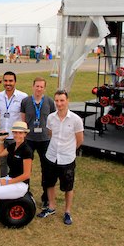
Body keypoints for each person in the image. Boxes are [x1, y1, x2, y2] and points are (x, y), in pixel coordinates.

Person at [37, 90, 84, 225]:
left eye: (62, 100)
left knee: (68, 187)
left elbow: (79, 140)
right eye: (57, 101)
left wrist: (68, 150)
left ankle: (67, 212)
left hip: (67, 159)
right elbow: (50, 134)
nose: (59, 104)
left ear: (67, 101)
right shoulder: (51, 118)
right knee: (49, 183)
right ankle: (51, 207)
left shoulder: (76, 120)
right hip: (51, 156)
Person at [20, 77, 56, 209]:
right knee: (26, 168)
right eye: (37, 86)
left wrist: (51, 136)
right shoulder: (25, 102)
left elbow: (53, 120)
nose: (39, 89)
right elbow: (23, 121)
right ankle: (25, 192)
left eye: (41, 87)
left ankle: (46, 197)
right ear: (33, 86)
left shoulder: (49, 102)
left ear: (44, 88)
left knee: (46, 169)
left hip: (45, 140)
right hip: (29, 140)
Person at [0, 71, 27, 177]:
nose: (8, 83)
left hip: (16, 137)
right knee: (3, 164)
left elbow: (24, 117)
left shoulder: (23, 97)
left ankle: (16, 186)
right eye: (5, 80)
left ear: (15, 82)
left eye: (10, 81)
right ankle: (3, 185)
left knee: (17, 164)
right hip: (3, 136)